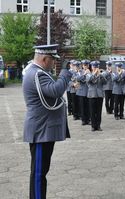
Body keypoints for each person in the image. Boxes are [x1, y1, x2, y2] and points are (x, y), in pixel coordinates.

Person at [22, 44, 72, 199]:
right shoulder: (38, 74)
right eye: (53, 60)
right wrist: (64, 72)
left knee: (41, 171)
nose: (54, 63)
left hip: (43, 129)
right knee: (38, 173)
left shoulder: (38, 72)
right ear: (45, 59)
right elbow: (56, 90)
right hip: (41, 130)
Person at [86, 61, 105, 131]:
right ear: (92, 67)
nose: (96, 68)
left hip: (99, 95)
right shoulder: (89, 74)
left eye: (97, 67)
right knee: (92, 111)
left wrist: (100, 74)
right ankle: (93, 126)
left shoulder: (100, 74)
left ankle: (98, 125)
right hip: (92, 95)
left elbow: (105, 82)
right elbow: (88, 80)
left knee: (99, 111)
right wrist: (94, 73)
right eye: (94, 67)